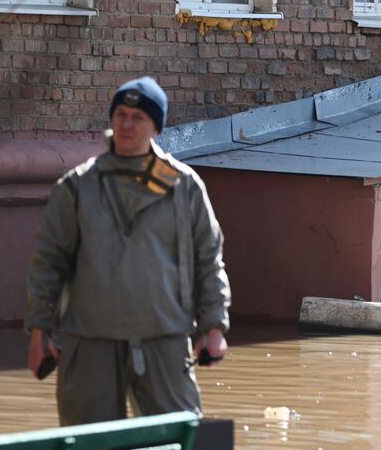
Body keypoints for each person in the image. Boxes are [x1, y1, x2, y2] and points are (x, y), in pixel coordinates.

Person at [25, 76, 230, 424]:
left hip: (163, 337)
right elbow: (48, 262)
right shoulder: (78, 186)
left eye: (138, 117)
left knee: (176, 449)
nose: (126, 124)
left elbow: (208, 259)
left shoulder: (184, 185)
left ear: (156, 126)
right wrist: (39, 331)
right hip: (91, 341)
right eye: (120, 114)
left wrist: (214, 328)